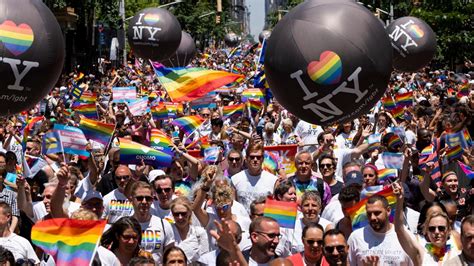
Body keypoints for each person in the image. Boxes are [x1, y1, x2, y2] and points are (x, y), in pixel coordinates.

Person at [393, 182, 461, 265]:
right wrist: (400, 200)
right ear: (426, 231)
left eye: (441, 228)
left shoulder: (457, 248)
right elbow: (399, 229)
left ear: (449, 229)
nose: (436, 232)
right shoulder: (421, 252)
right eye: (432, 228)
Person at [347, 194, 412, 265]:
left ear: (388, 211)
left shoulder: (405, 236)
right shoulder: (356, 237)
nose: (372, 218)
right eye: (369, 214)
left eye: (377, 213)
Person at [131, 181, 175, 262]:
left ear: (152, 200)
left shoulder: (164, 225)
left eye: (148, 198)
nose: (144, 202)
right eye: (140, 198)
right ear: (131, 200)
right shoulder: (125, 225)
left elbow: (170, 257)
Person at [231, 142, 278, 212]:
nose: (255, 160)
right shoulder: (235, 179)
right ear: (246, 158)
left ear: (262, 159)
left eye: (258, 157)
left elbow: (276, 208)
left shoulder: (273, 180)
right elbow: (233, 207)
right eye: (252, 157)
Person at [169, 196, 209, 263]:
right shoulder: (167, 231)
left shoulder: (199, 233)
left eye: (183, 213)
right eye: (176, 214)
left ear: (190, 212)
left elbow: (205, 260)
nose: (180, 217)